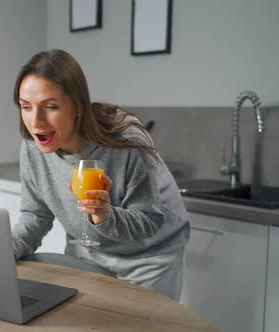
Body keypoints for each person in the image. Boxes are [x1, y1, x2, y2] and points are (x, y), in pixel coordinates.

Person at [11, 49, 190, 301]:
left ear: (78, 105)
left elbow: (150, 220)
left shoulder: (126, 141)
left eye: (50, 106)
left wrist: (105, 216)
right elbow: (35, 215)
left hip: (148, 258)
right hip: (87, 252)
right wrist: (5, 251)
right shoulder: (32, 147)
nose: (36, 121)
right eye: (25, 107)